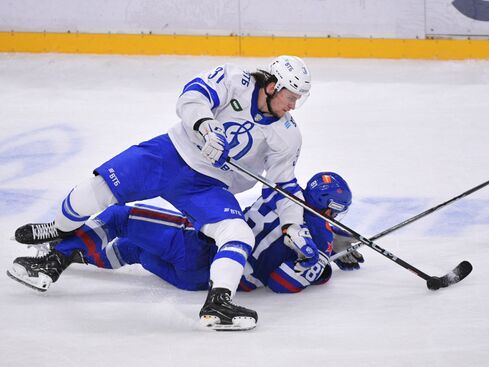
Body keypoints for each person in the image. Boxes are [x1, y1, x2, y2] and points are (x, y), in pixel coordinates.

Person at [12, 55, 312, 330]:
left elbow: (283, 184)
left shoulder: (287, 135)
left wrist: (293, 224)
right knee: (100, 189)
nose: (293, 106)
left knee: (239, 233)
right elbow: (192, 97)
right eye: (290, 97)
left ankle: (218, 304)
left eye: (298, 99)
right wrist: (206, 126)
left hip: (207, 186)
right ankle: (56, 235)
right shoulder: (234, 79)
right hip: (169, 155)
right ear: (272, 86)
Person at [8, 172, 364, 330]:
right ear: (330, 209)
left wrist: (322, 254)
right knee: (132, 249)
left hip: (195, 246)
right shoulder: (318, 244)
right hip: (199, 280)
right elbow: (281, 283)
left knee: (121, 216)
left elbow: (278, 211)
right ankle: (67, 250)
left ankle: (58, 252)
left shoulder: (284, 196)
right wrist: (322, 258)